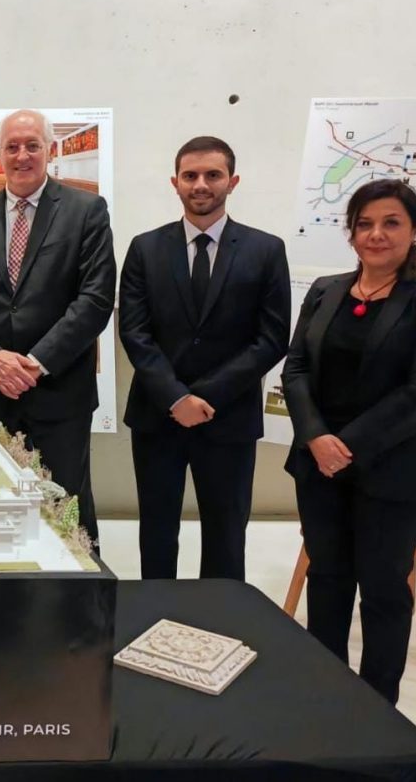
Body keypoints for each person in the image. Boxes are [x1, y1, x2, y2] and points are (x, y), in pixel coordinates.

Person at [282, 178, 416, 704]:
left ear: (414, 230)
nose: (376, 234)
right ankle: (325, 697)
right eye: (365, 223)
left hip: (393, 473)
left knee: (382, 592)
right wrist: (316, 438)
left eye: (391, 223)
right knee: (328, 582)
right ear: (351, 231)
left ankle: (377, 710)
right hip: (319, 467)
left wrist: (345, 445)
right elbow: (296, 369)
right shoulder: (326, 290)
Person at [119, 136, 290, 580]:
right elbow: (135, 333)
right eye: (190, 175)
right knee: (157, 531)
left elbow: (271, 339)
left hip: (229, 417)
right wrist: (177, 398)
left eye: (212, 175)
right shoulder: (144, 248)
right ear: (174, 183)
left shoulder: (265, 250)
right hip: (159, 415)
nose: (201, 184)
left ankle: (221, 623)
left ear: (232, 182)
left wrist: (206, 397)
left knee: (227, 533)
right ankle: (156, 620)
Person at [0, 109, 115, 544]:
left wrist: (37, 363)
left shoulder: (86, 211)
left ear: (50, 151)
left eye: (32, 145)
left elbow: (94, 300)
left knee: (65, 510)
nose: (22, 155)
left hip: (59, 395)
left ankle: (74, 604)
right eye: (12, 147)